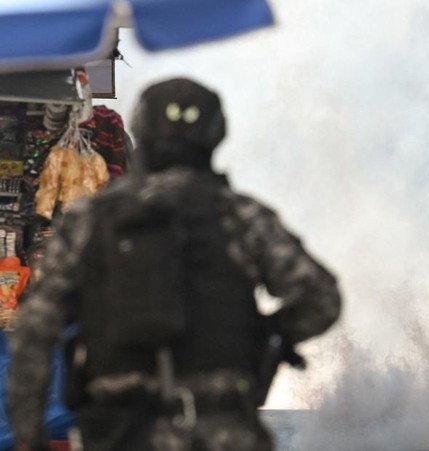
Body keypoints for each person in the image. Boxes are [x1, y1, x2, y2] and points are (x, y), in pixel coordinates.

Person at [7, 78, 342, 451]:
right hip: (224, 429)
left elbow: (35, 329)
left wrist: (30, 436)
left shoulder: (90, 219)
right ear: (215, 134)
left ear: (141, 128)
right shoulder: (241, 215)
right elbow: (322, 300)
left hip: (121, 431)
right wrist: (266, 336)